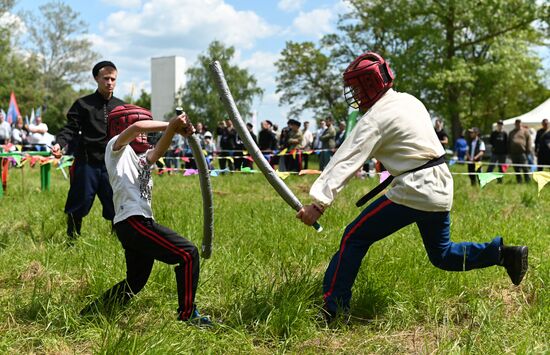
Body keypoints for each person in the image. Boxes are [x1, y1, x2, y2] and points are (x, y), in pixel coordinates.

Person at [295, 51, 528, 323]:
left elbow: (345, 160)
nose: (355, 94)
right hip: (440, 184)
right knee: (442, 254)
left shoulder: (375, 118)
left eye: (357, 87)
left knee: (354, 237)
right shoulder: (410, 101)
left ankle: (333, 310)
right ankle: (502, 254)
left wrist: (318, 204)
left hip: (415, 188)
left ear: (370, 85)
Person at [79, 104, 211, 326]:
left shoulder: (140, 158)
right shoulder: (116, 148)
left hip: (137, 223)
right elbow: (137, 127)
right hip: (133, 221)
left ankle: (91, 314)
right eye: (143, 131)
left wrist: (172, 130)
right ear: (121, 127)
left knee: (135, 282)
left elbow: (158, 151)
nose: (146, 134)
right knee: (188, 254)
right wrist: (171, 124)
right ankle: (188, 314)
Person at [52, 61, 125, 240]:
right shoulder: (83, 104)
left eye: (113, 79)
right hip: (87, 162)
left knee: (116, 203)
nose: (110, 82)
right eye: (106, 78)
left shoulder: (122, 107)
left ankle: (119, 240)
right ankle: (72, 239)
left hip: (113, 163)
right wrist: (59, 144)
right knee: (79, 201)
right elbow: (70, 128)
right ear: (96, 79)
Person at [508, 119, 532, 183]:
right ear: (515, 124)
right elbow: (508, 142)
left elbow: (529, 141)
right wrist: (509, 153)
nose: (518, 124)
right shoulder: (511, 132)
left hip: (522, 153)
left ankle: (527, 180)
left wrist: (528, 150)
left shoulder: (525, 131)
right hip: (513, 153)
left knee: (525, 167)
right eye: (516, 123)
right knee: (516, 168)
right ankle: (519, 181)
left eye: (519, 123)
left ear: (521, 124)